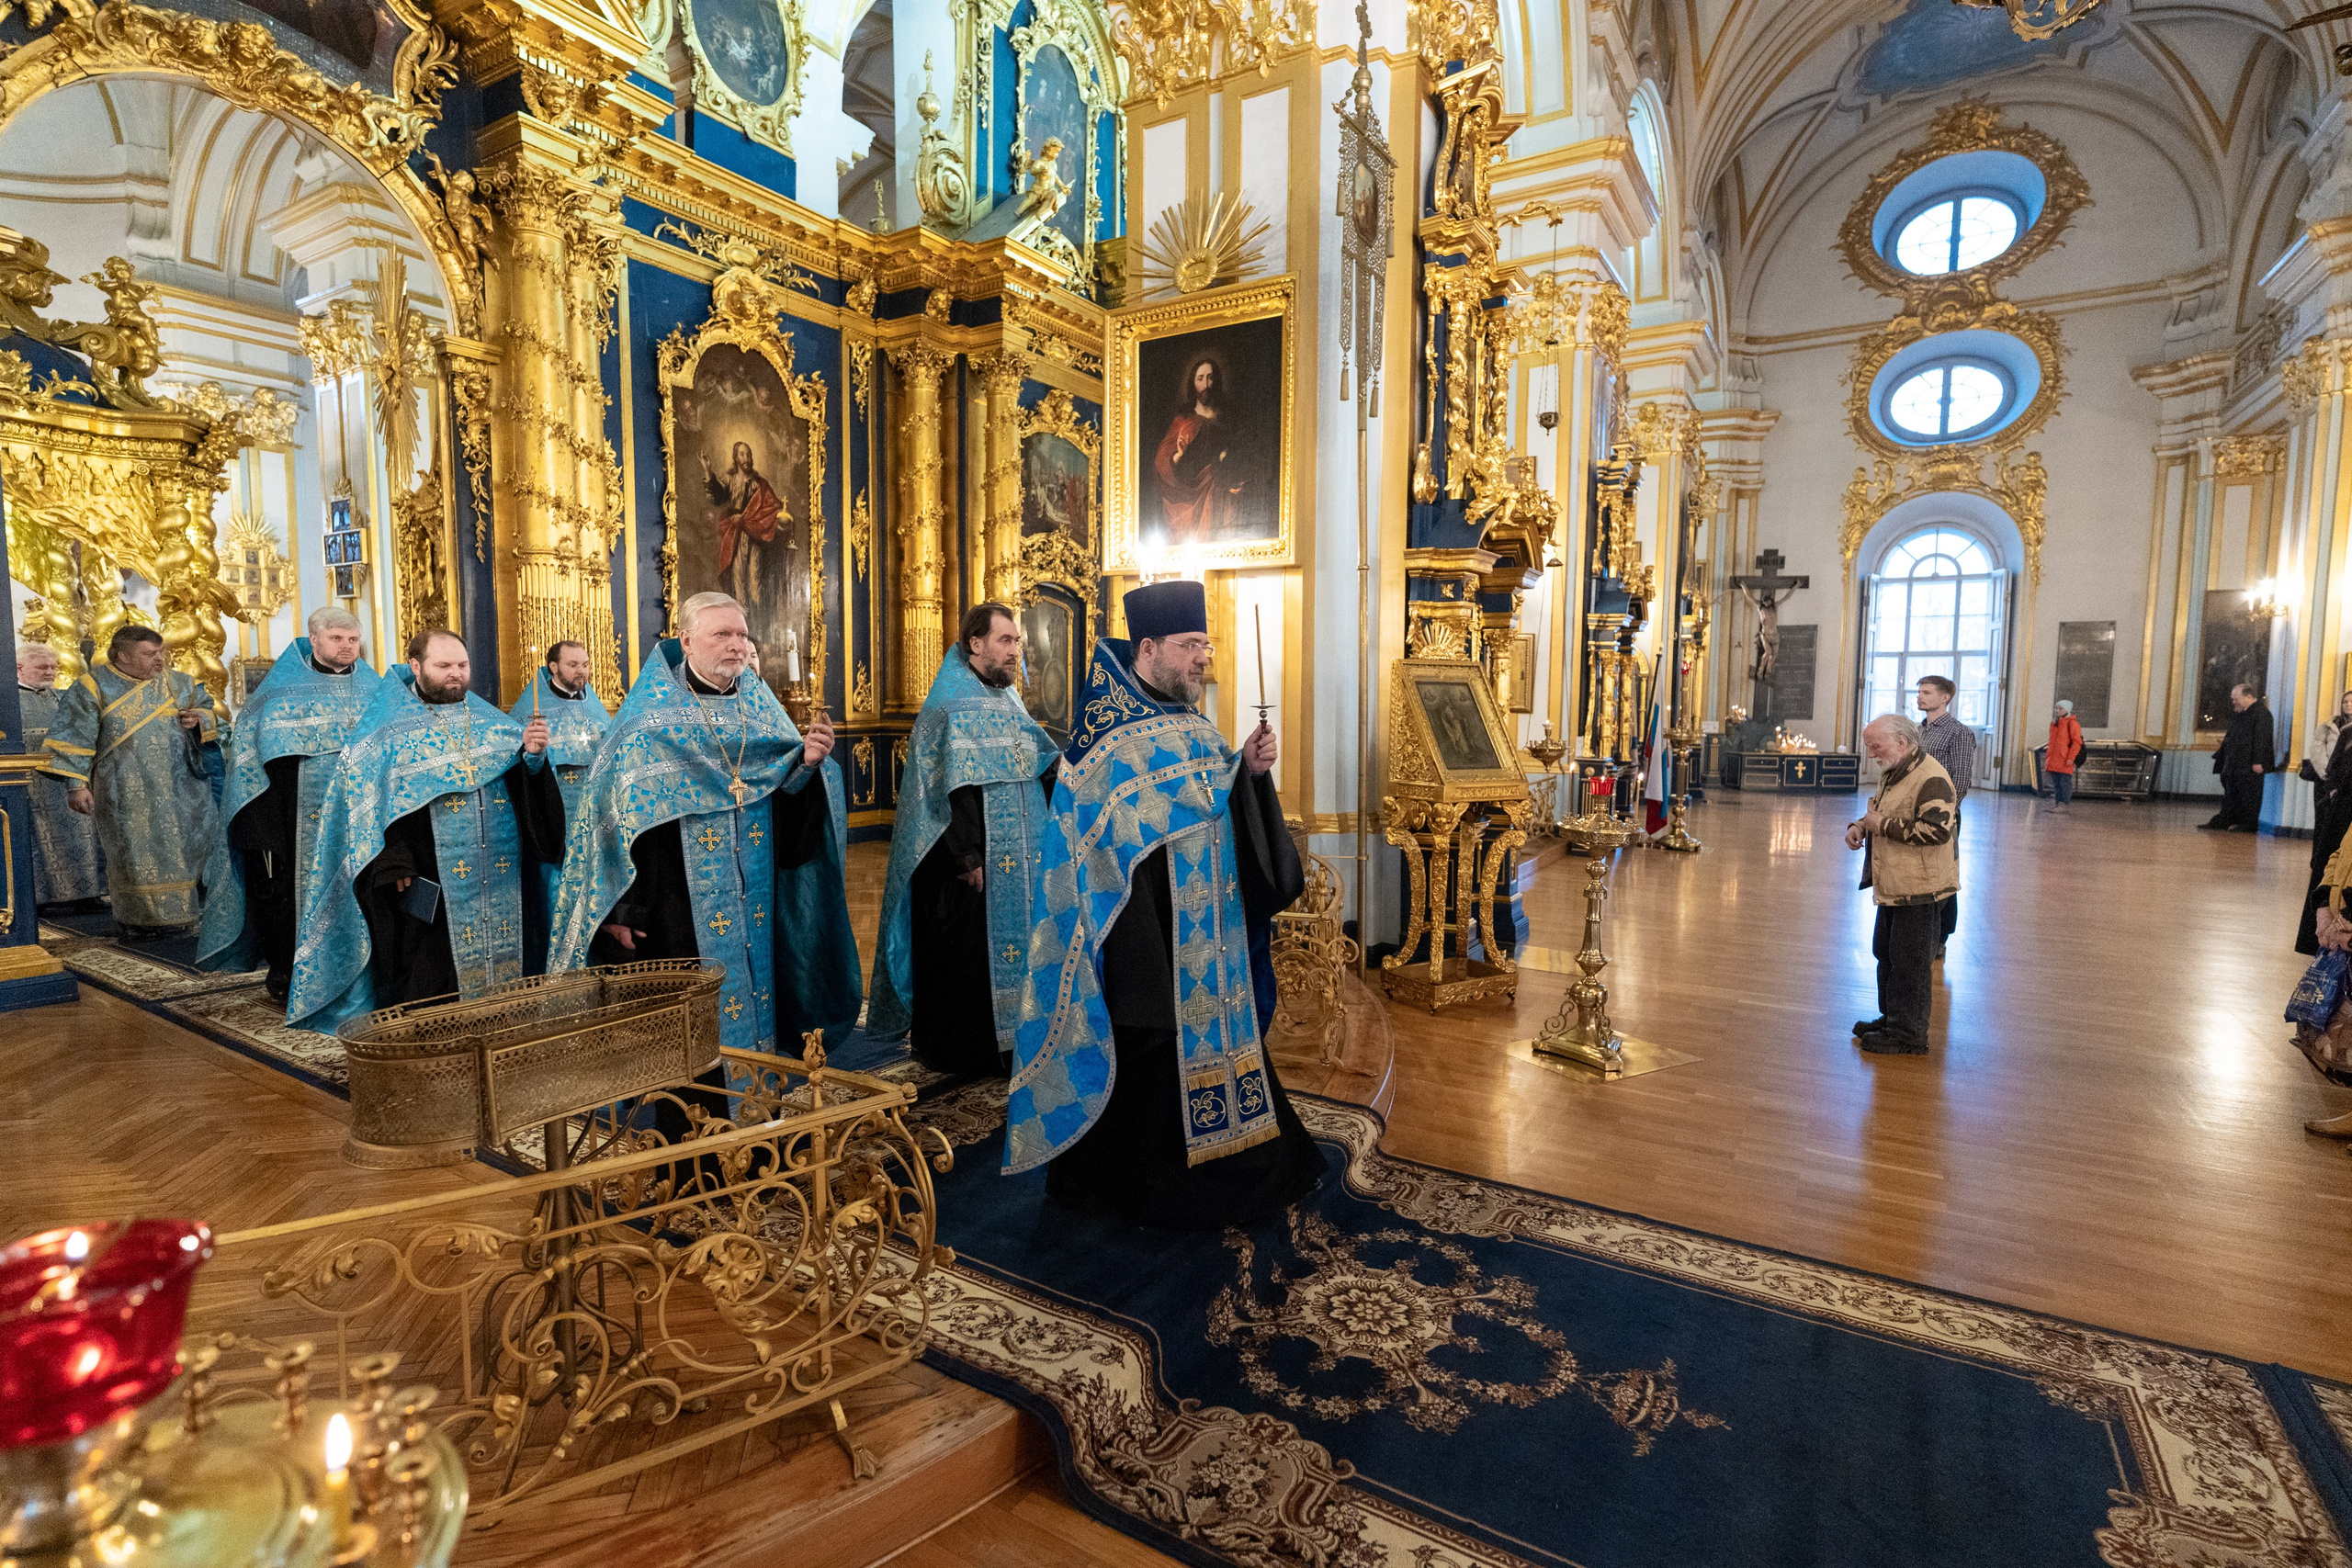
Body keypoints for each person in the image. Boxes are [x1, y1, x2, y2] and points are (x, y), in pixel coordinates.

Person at [1006, 579, 1326, 1229]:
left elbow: (1215, 803)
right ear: (1148, 648)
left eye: (1206, 644)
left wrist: (1250, 774)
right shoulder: (1101, 737)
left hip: (1209, 943)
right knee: (1147, 1068)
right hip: (1140, 941)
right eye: (1189, 646)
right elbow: (1082, 845)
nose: (1203, 657)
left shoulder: (1194, 726)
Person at [546, 592, 857, 1149]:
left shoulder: (762, 710)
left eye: (742, 634)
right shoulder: (646, 724)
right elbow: (612, 826)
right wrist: (623, 911)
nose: (737, 644)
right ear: (685, 640)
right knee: (689, 1032)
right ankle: (692, 1153)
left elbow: (784, 806)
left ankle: (759, 1132)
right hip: (675, 910)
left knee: (760, 1007)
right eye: (722, 635)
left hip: (753, 905)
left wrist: (807, 768)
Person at [287, 630, 561, 1032]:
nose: (456, 674)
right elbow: (366, 808)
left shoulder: (490, 722)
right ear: (416, 666)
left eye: (462, 665)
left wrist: (533, 760)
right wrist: (394, 861)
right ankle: (432, 1042)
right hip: (428, 872)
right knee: (429, 967)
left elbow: (522, 788)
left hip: (500, 874)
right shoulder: (385, 730)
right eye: (444, 666)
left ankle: (504, 1028)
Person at [867, 603, 1058, 1077]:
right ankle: (966, 1051)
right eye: (1006, 641)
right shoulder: (947, 706)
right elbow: (943, 788)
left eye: (1017, 642)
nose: (1016, 652)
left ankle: (1016, 1041)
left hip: (1021, 856)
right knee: (967, 960)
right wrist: (967, 855)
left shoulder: (1007, 700)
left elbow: (1037, 759)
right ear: (976, 644)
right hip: (969, 861)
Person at [194, 609, 380, 1001]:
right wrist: (262, 831)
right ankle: (289, 977)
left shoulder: (374, 688)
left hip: (361, 817)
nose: (346, 646)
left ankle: (358, 976)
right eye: (336, 638)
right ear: (314, 639)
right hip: (291, 821)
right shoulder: (280, 691)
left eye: (352, 639)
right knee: (286, 899)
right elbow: (251, 760)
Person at [40, 626, 222, 937]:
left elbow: (210, 714)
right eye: (149, 654)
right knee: (132, 854)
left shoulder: (180, 683)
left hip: (183, 788)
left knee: (184, 850)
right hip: (123, 789)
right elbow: (73, 737)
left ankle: (185, 916)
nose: (160, 659)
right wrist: (77, 785)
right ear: (123, 655)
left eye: (160, 652)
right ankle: (137, 921)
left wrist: (199, 721)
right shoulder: (92, 686)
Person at [1845, 712, 1959, 1056]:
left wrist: (1880, 826)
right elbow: (1878, 811)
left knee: (1910, 962)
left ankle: (1910, 1033)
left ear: (1903, 743)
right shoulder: (1895, 771)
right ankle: (1893, 1017)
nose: (1871, 754)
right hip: (1895, 884)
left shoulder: (1932, 778)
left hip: (1921, 888)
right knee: (1887, 954)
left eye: (1875, 746)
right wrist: (1860, 826)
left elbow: (1937, 832)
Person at [509, 639, 612, 940]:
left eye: (585, 664)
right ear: (553, 667)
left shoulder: (593, 705)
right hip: (556, 820)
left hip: (596, 815)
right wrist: (534, 755)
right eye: (573, 664)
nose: (581, 671)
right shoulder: (531, 709)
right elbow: (523, 772)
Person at [17, 643, 104, 912]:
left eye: (53, 667)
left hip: (67, 778)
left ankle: (87, 893)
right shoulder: (7, 700)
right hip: (29, 783)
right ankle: (42, 899)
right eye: (42, 667)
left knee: (82, 833)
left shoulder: (63, 697)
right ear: (19, 667)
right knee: (37, 838)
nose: (50, 672)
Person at [1915, 675, 1974, 958]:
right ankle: (1922, 933)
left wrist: (1945, 815)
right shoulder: (1918, 730)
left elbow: (1960, 779)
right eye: (1919, 692)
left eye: (1926, 692)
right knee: (1921, 872)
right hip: (1913, 815)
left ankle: (1941, 937)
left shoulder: (1958, 732)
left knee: (1944, 875)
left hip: (1942, 817)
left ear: (1944, 698)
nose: (1920, 697)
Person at [2205, 683, 2274, 832]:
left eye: (2236, 698)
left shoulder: (2262, 714)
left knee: (2249, 795)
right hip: (2235, 764)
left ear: (2249, 697)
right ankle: (2226, 820)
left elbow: (2261, 740)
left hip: (2249, 765)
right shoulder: (2242, 713)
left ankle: (2247, 824)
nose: (2234, 702)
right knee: (2232, 793)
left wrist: (2258, 761)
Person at [2044, 699, 2084, 812]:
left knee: (2064, 783)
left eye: (2060, 708)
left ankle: (2064, 804)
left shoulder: (2072, 724)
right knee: (2057, 783)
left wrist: (2071, 757)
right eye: (2056, 708)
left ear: (2067, 710)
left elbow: (2076, 742)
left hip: (2064, 759)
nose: (2057, 710)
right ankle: (2058, 803)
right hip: (2054, 758)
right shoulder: (2055, 723)